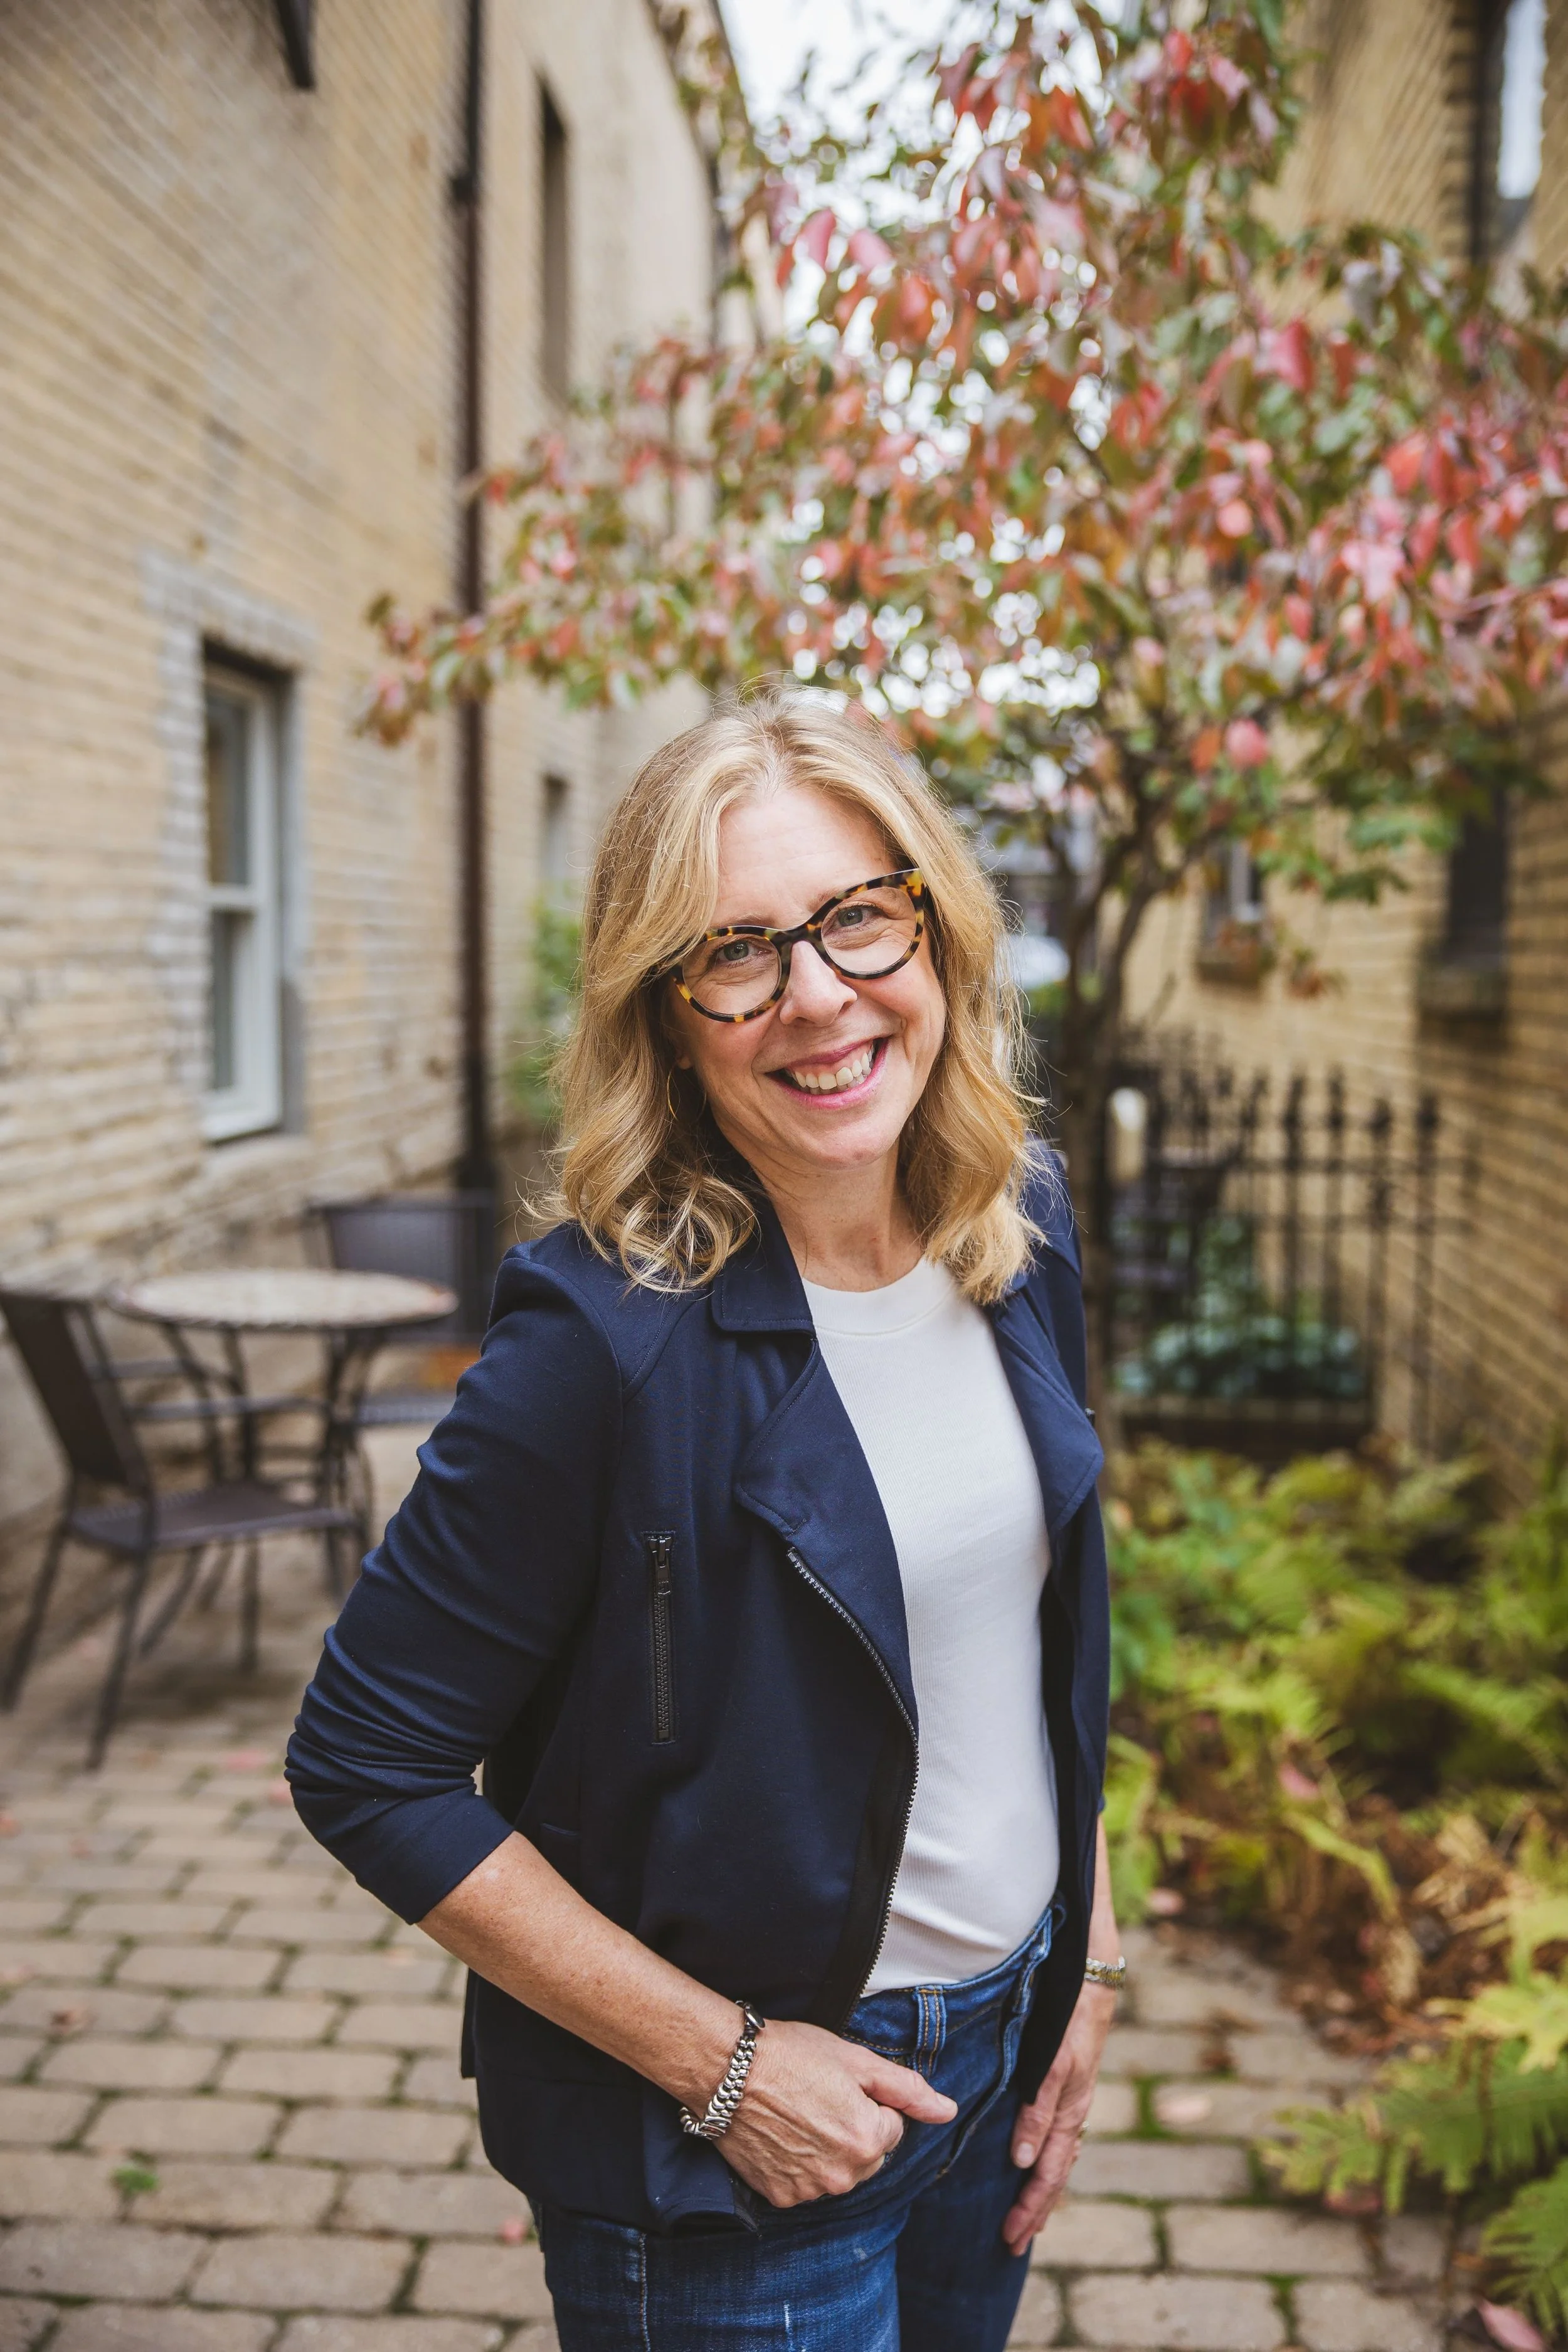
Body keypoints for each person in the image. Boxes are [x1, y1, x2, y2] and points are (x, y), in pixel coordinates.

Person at [286, 694, 1123, 2351]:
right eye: (733, 953)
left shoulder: (1012, 1221)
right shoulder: (597, 1341)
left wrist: (1083, 1951)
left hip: (1001, 2054)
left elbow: (1039, 1632)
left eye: (854, 916)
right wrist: (724, 2065)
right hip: (732, 2146)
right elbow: (363, 1764)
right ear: (666, 1019)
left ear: (936, 928)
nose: (816, 993)